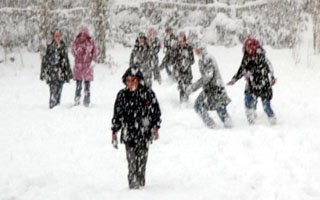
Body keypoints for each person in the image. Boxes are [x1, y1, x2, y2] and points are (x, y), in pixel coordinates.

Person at [111, 66, 162, 189]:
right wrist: (114, 131)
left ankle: (141, 184)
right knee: (131, 162)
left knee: (142, 162)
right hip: (129, 134)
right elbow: (117, 115)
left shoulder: (148, 94)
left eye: (133, 80)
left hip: (144, 134)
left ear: (139, 80)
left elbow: (156, 112)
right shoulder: (122, 95)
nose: (131, 83)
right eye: (128, 81)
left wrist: (156, 127)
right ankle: (133, 186)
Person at [227, 36, 277, 125]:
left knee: (266, 107)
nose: (246, 49)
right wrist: (235, 78)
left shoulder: (261, 55)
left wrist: (251, 72)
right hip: (252, 84)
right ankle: (251, 122)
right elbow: (242, 68)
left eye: (248, 47)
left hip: (263, 84)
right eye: (245, 47)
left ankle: (273, 121)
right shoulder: (246, 56)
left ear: (253, 47)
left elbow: (262, 66)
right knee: (248, 102)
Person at [186, 43, 233, 128]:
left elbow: (208, 76)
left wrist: (193, 87)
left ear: (202, 49)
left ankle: (230, 128)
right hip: (209, 89)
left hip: (216, 88)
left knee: (220, 109)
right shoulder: (201, 60)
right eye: (195, 50)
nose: (195, 52)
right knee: (198, 105)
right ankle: (212, 126)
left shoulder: (208, 58)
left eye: (197, 50)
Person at [40, 29, 73, 109]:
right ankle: (52, 105)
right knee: (53, 90)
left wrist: (68, 73)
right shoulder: (50, 47)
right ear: (53, 37)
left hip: (61, 73)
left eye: (59, 36)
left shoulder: (63, 47)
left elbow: (66, 61)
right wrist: (43, 73)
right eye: (56, 36)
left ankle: (57, 106)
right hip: (52, 73)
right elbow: (45, 61)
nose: (58, 37)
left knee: (59, 90)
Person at [72, 26, 97, 107]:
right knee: (78, 86)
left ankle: (87, 101)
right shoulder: (76, 42)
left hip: (87, 67)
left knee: (87, 86)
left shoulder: (91, 43)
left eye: (84, 35)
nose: (83, 37)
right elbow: (73, 52)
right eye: (81, 35)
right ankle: (77, 100)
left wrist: (93, 61)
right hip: (79, 67)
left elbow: (95, 53)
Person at [174, 31, 194, 102]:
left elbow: (192, 60)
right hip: (180, 71)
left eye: (182, 41)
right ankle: (182, 103)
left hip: (188, 71)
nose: (181, 42)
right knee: (181, 87)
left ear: (185, 40)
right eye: (180, 41)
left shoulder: (189, 48)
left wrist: (186, 61)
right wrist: (179, 64)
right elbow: (174, 60)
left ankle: (186, 101)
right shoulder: (176, 48)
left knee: (187, 87)